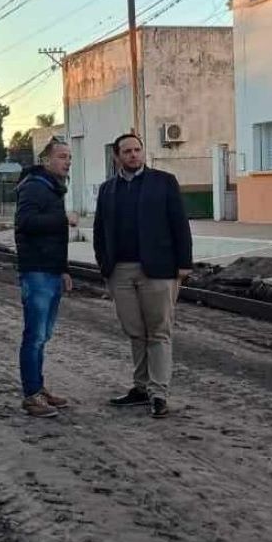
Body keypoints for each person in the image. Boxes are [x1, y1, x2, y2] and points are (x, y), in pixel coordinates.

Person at [93, 133, 192, 419]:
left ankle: (159, 393)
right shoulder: (107, 189)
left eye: (137, 150)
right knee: (135, 332)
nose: (134, 155)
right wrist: (104, 268)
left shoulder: (164, 182)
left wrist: (184, 264)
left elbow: (179, 224)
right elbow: (100, 231)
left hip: (159, 270)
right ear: (117, 156)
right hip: (120, 272)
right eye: (127, 151)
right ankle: (141, 387)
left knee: (159, 331)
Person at [14, 138, 76, 418]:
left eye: (69, 158)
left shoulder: (52, 190)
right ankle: (31, 395)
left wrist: (63, 269)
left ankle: (38, 389)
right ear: (46, 160)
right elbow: (25, 223)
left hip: (50, 271)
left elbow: (56, 239)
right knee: (35, 335)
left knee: (43, 335)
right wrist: (63, 219)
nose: (67, 162)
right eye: (62, 157)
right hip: (36, 271)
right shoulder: (34, 188)